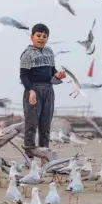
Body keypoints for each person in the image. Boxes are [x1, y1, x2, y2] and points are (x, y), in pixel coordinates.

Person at [20, 23, 66, 157]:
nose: (41, 38)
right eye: (38, 36)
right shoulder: (27, 54)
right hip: (33, 90)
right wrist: (31, 91)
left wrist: (58, 75)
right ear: (32, 37)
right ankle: (29, 158)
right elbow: (23, 75)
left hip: (48, 90)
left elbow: (52, 71)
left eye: (44, 36)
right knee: (31, 125)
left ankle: (44, 157)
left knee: (45, 126)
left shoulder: (49, 52)